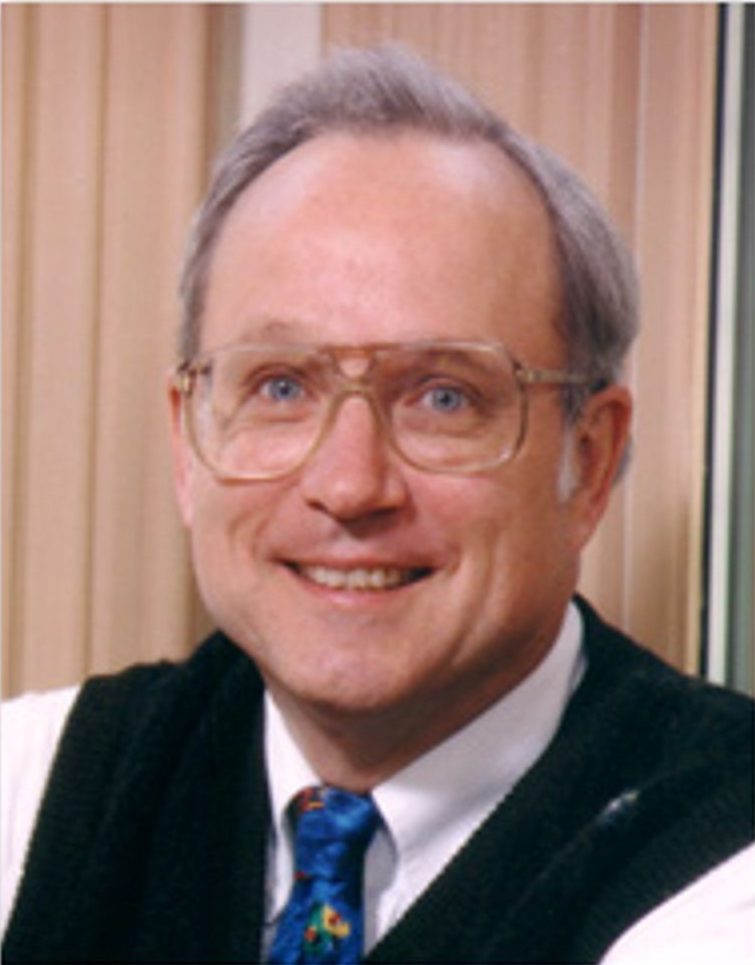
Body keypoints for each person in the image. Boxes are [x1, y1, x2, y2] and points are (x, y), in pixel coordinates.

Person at [2, 46, 753, 965]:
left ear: (586, 463)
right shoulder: (32, 793)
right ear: (188, 442)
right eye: (281, 386)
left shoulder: (727, 865)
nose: (350, 485)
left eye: (443, 395)